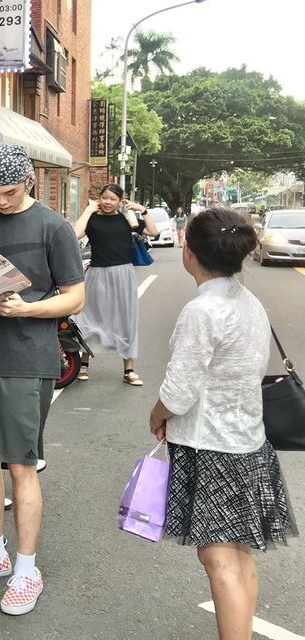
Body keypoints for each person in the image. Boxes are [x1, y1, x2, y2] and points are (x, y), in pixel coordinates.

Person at [0, 144, 84, 618]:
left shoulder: (53, 226)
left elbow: (75, 298)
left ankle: (27, 569)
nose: (0, 201)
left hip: (26, 359)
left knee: (20, 464)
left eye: (9, 191)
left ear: (27, 180)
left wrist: (27, 308)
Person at [149, 208, 296, 640]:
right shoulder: (247, 301)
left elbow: (178, 392)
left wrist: (156, 416)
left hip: (210, 445)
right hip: (247, 440)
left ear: (188, 251)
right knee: (237, 554)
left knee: (218, 559)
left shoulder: (203, 310)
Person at [72, 183, 158, 385]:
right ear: (99, 199)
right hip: (97, 273)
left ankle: (129, 370)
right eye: (104, 197)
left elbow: (153, 232)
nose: (108, 202)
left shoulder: (126, 219)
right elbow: (75, 234)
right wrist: (87, 210)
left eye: (112, 199)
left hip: (124, 274)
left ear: (120, 202)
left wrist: (142, 210)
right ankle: (84, 364)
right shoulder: (92, 219)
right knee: (89, 317)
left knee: (126, 319)